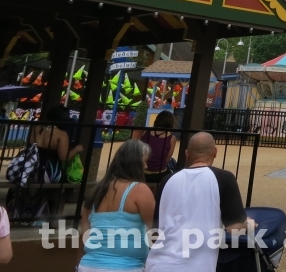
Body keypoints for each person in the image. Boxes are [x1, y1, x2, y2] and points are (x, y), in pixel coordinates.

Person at [145, 132, 253, 272]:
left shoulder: (167, 180)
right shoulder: (224, 178)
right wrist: (249, 224)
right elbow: (235, 229)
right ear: (215, 152)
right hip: (195, 266)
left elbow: (156, 231)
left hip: (158, 264)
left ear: (187, 154)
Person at [78, 139, 156, 272]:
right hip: (127, 266)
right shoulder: (140, 190)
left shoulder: (96, 191)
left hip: (88, 265)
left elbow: (85, 235)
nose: (146, 166)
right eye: (144, 161)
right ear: (134, 162)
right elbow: (156, 231)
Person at [29, 105, 85, 182]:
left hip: (32, 167)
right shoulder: (61, 134)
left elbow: (31, 145)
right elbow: (64, 157)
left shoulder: (37, 128)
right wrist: (77, 149)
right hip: (50, 171)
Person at [133, 110, 177, 184]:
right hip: (160, 173)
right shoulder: (172, 138)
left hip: (142, 171)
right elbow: (167, 159)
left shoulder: (145, 132)